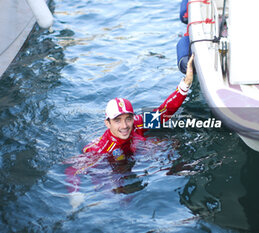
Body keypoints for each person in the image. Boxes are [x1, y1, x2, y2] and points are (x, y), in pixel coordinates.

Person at [64, 55, 194, 208]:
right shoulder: (101, 148)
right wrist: (74, 193)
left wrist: (186, 83)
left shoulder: (137, 124)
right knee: (121, 200)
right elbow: (71, 169)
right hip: (115, 169)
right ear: (107, 123)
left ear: (133, 117)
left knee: (172, 146)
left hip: (139, 156)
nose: (125, 125)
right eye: (117, 120)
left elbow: (164, 112)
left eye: (128, 118)